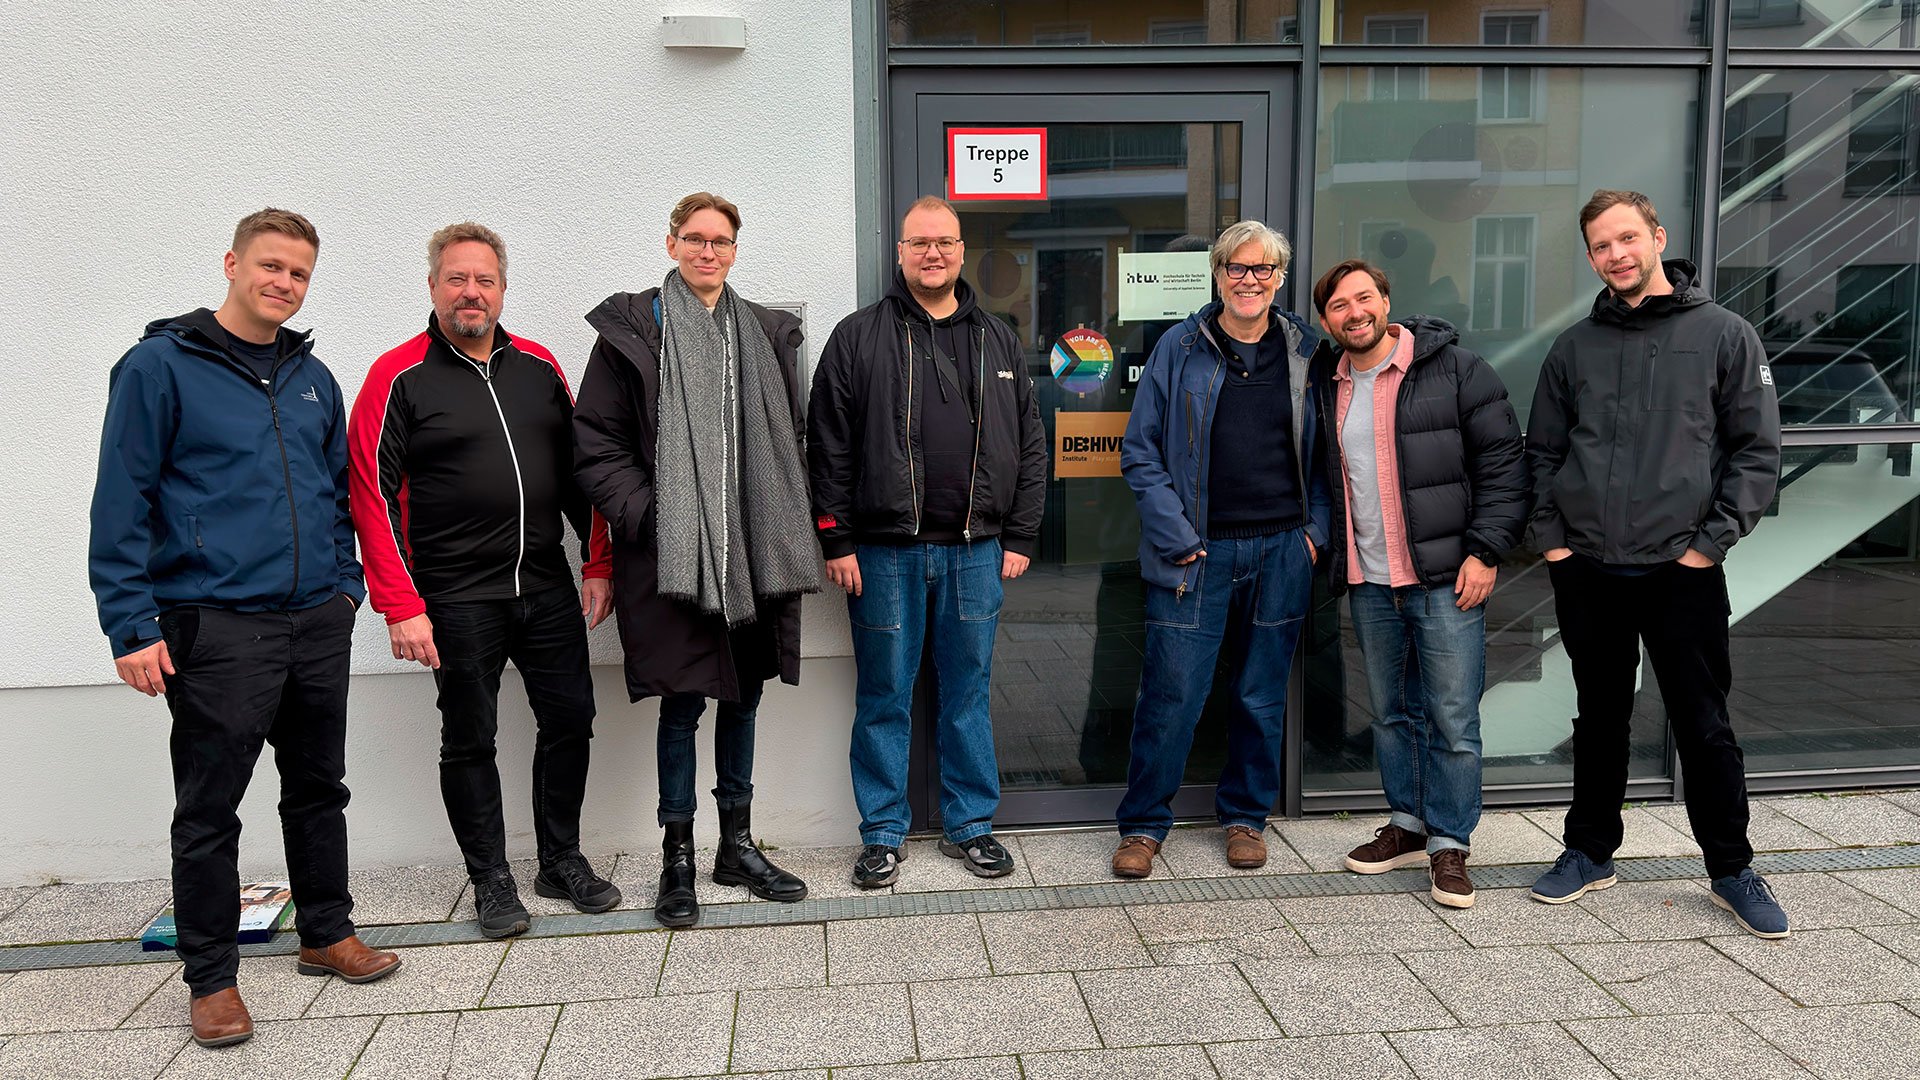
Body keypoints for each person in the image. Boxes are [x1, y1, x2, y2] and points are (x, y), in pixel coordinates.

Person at [88, 209, 400, 1050]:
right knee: (209, 809)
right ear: (232, 264)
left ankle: (326, 933)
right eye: (270, 266)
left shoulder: (312, 377)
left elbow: (336, 494)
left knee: (319, 788)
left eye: (298, 273)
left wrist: (345, 590)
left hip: (314, 622)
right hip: (217, 626)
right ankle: (212, 980)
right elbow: (121, 500)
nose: (283, 283)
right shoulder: (160, 367)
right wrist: (130, 625)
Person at [1525, 189, 1787, 938]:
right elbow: (1542, 452)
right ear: (1591, 258)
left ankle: (1731, 868)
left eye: (1627, 238)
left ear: (1657, 237)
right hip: (1590, 569)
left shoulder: (1725, 335)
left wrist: (1709, 546)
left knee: (1703, 723)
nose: (1617, 254)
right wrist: (1554, 543)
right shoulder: (1574, 347)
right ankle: (1588, 851)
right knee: (1598, 718)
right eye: (1601, 246)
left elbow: (1757, 452)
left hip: (1683, 572)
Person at [349, 222, 618, 940]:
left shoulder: (539, 366)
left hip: (546, 586)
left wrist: (597, 564)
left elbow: (581, 475)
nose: (472, 292)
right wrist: (400, 604)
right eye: (458, 279)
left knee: (571, 721)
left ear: (502, 289)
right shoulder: (397, 375)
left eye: (485, 280)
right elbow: (370, 494)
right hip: (455, 596)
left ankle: (560, 860)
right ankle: (491, 878)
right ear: (433, 286)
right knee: (470, 739)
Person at [574, 192, 818, 928]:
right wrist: (659, 518)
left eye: (720, 241)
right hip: (671, 554)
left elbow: (791, 436)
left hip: (753, 550)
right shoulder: (634, 333)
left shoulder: (764, 333)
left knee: (744, 697)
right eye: (694, 238)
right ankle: (676, 857)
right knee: (681, 704)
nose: (707, 251)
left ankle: (736, 847)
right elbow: (596, 445)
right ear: (672, 244)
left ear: (735, 251)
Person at [807, 195, 1047, 888]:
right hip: (884, 555)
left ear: (961, 250)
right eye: (919, 243)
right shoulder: (858, 337)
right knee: (885, 694)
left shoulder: (997, 340)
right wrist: (836, 540)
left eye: (944, 242)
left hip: (977, 552)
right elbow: (827, 446)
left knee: (967, 692)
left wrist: (1021, 532)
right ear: (901, 252)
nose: (932, 253)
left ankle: (970, 825)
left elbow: (1030, 443)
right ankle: (883, 832)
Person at [1111, 220, 1329, 879]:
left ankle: (1245, 818)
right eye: (1237, 267)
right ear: (1218, 273)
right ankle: (1143, 825)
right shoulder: (1180, 347)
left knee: (1260, 696)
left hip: (1282, 551)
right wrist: (1176, 535)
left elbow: (1328, 455)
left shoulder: (1305, 350)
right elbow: (1140, 451)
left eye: (1263, 269)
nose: (1249, 280)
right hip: (1197, 555)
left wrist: (1314, 533)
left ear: (1279, 278)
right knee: (1173, 695)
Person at [1307, 259, 1528, 909]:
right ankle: (1407, 823)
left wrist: (1486, 551)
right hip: (1369, 579)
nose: (1354, 312)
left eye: (1364, 298)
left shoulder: (1457, 370)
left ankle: (1450, 842)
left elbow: (1504, 466)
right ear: (1326, 320)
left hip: (1444, 577)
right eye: (1339, 305)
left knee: (1452, 718)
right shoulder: (1325, 382)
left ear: (1386, 300)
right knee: (1390, 712)